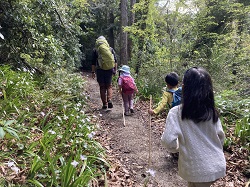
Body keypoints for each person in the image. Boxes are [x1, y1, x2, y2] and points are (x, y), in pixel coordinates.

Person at [161, 67, 226, 187]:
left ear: (184, 88)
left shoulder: (177, 112)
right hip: (217, 164)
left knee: (196, 182)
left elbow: (167, 140)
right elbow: (221, 137)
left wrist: (177, 149)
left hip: (196, 168)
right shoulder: (212, 112)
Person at [91, 36, 117, 109]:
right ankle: (109, 99)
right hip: (109, 69)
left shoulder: (95, 50)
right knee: (109, 86)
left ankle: (105, 104)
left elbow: (93, 62)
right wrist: (115, 70)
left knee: (102, 87)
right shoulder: (110, 49)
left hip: (100, 70)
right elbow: (115, 61)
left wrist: (93, 72)